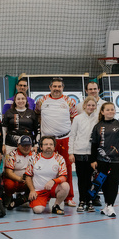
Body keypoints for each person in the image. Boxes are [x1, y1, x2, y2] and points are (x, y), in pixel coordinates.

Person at [34, 77, 78, 206]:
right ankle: (45, 195)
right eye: (55, 86)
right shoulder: (41, 101)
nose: (57, 89)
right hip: (47, 140)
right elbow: (38, 115)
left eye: (59, 86)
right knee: (44, 168)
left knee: (67, 167)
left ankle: (68, 197)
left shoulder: (69, 101)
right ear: (50, 87)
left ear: (63, 88)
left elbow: (74, 119)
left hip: (64, 139)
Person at [90, 102, 119, 217]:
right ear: (102, 112)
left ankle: (110, 206)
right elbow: (94, 144)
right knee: (104, 183)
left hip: (117, 161)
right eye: (107, 110)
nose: (110, 111)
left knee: (114, 182)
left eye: (112, 109)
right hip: (101, 160)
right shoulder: (98, 126)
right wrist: (93, 160)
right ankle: (107, 206)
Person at [24, 136, 69, 214]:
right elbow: (28, 176)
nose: (49, 146)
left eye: (51, 144)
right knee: (37, 211)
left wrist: (53, 181)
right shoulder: (34, 159)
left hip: (53, 188)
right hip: (39, 191)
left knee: (65, 186)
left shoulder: (59, 158)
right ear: (41, 147)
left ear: (54, 147)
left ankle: (56, 205)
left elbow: (64, 177)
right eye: (46, 144)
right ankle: (38, 200)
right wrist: (32, 190)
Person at [69, 96, 99, 212]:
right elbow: (73, 135)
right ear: (84, 106)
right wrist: (71, 152)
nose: (91, 107)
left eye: (93, 105)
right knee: (82, 179)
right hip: (79, 152)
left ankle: (90, 201)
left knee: (91, 179)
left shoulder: (97, 119)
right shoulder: (77, 118)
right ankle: (82, 201)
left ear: (96, 107)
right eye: (89, 105)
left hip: (92, 154)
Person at [3, 136, 35, 210]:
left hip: (28, 180)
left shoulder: (35, 156)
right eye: (23, 145)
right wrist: (20, 179)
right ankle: (8, 197)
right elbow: (8, 172)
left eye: (28, 145)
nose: (26, 147)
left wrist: (29, 179)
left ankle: (27, 197)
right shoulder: (11, 155)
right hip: (15, 180)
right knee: (9, 184)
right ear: (18, 145)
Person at [2, 92, 38, 157]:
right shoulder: (9, 112)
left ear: (26, 100)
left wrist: (36, 144)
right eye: (18, 99)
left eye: (23, 99)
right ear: (15, 101)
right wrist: (3, 144)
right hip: (10, 145)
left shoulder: (32, 113)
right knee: (9, 165)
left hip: (28, 145)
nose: (20, 101)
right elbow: (3, 129)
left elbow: (37, 130)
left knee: (28, 166)